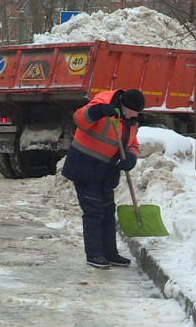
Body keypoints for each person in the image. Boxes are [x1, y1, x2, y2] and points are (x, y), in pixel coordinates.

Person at [62, 88, 145, 269]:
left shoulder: (131, 120)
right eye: (134, 111)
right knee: (94, 211)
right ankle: (94, 255)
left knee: (108, 213)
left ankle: (110, 253)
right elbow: (79, 119)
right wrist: (98, 111)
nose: (136, 115)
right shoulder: (103, 102)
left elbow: (133, 144)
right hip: (84, 167)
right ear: (125, 105)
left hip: (106, 173)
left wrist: (130, 158)